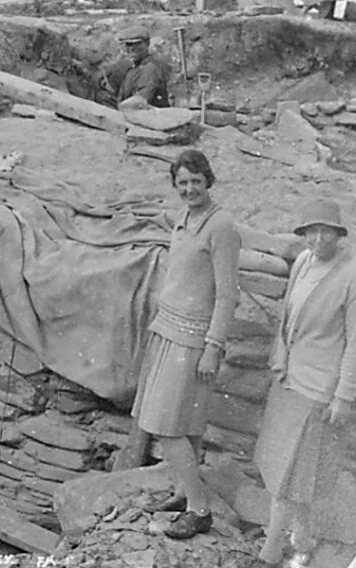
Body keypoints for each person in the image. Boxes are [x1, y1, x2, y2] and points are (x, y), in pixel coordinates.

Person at [248, 199, 356, 568]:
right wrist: (279, 359)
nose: (317, 238)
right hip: (289, 380)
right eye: (310, 231)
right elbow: (288, 320)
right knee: (289, 468)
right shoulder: (302, 263)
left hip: (319, 388)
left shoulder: (355, 277)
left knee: (290, 474)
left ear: (338, 233)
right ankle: (302, 540)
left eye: (325, 231)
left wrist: (343, 397)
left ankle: (270, 553)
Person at [131, 149, 240, 539]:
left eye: (196, 181)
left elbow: (227, 295)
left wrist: (214, 345)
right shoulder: (184, 218)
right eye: (182, 183)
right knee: (187, 423)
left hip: (194, 339)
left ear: (208, 180)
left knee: (167, 426)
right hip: (169, 329)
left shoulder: (221, 226)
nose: (190, 189)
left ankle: (199, 508)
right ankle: (184, 490)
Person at [101, 26, 171, 110]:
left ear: (147, 44)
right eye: (128, 44)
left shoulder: (150, 69)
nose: (132, 48)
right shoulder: (132, 69)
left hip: (149, 119)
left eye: (137, 43)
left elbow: (139, 101)